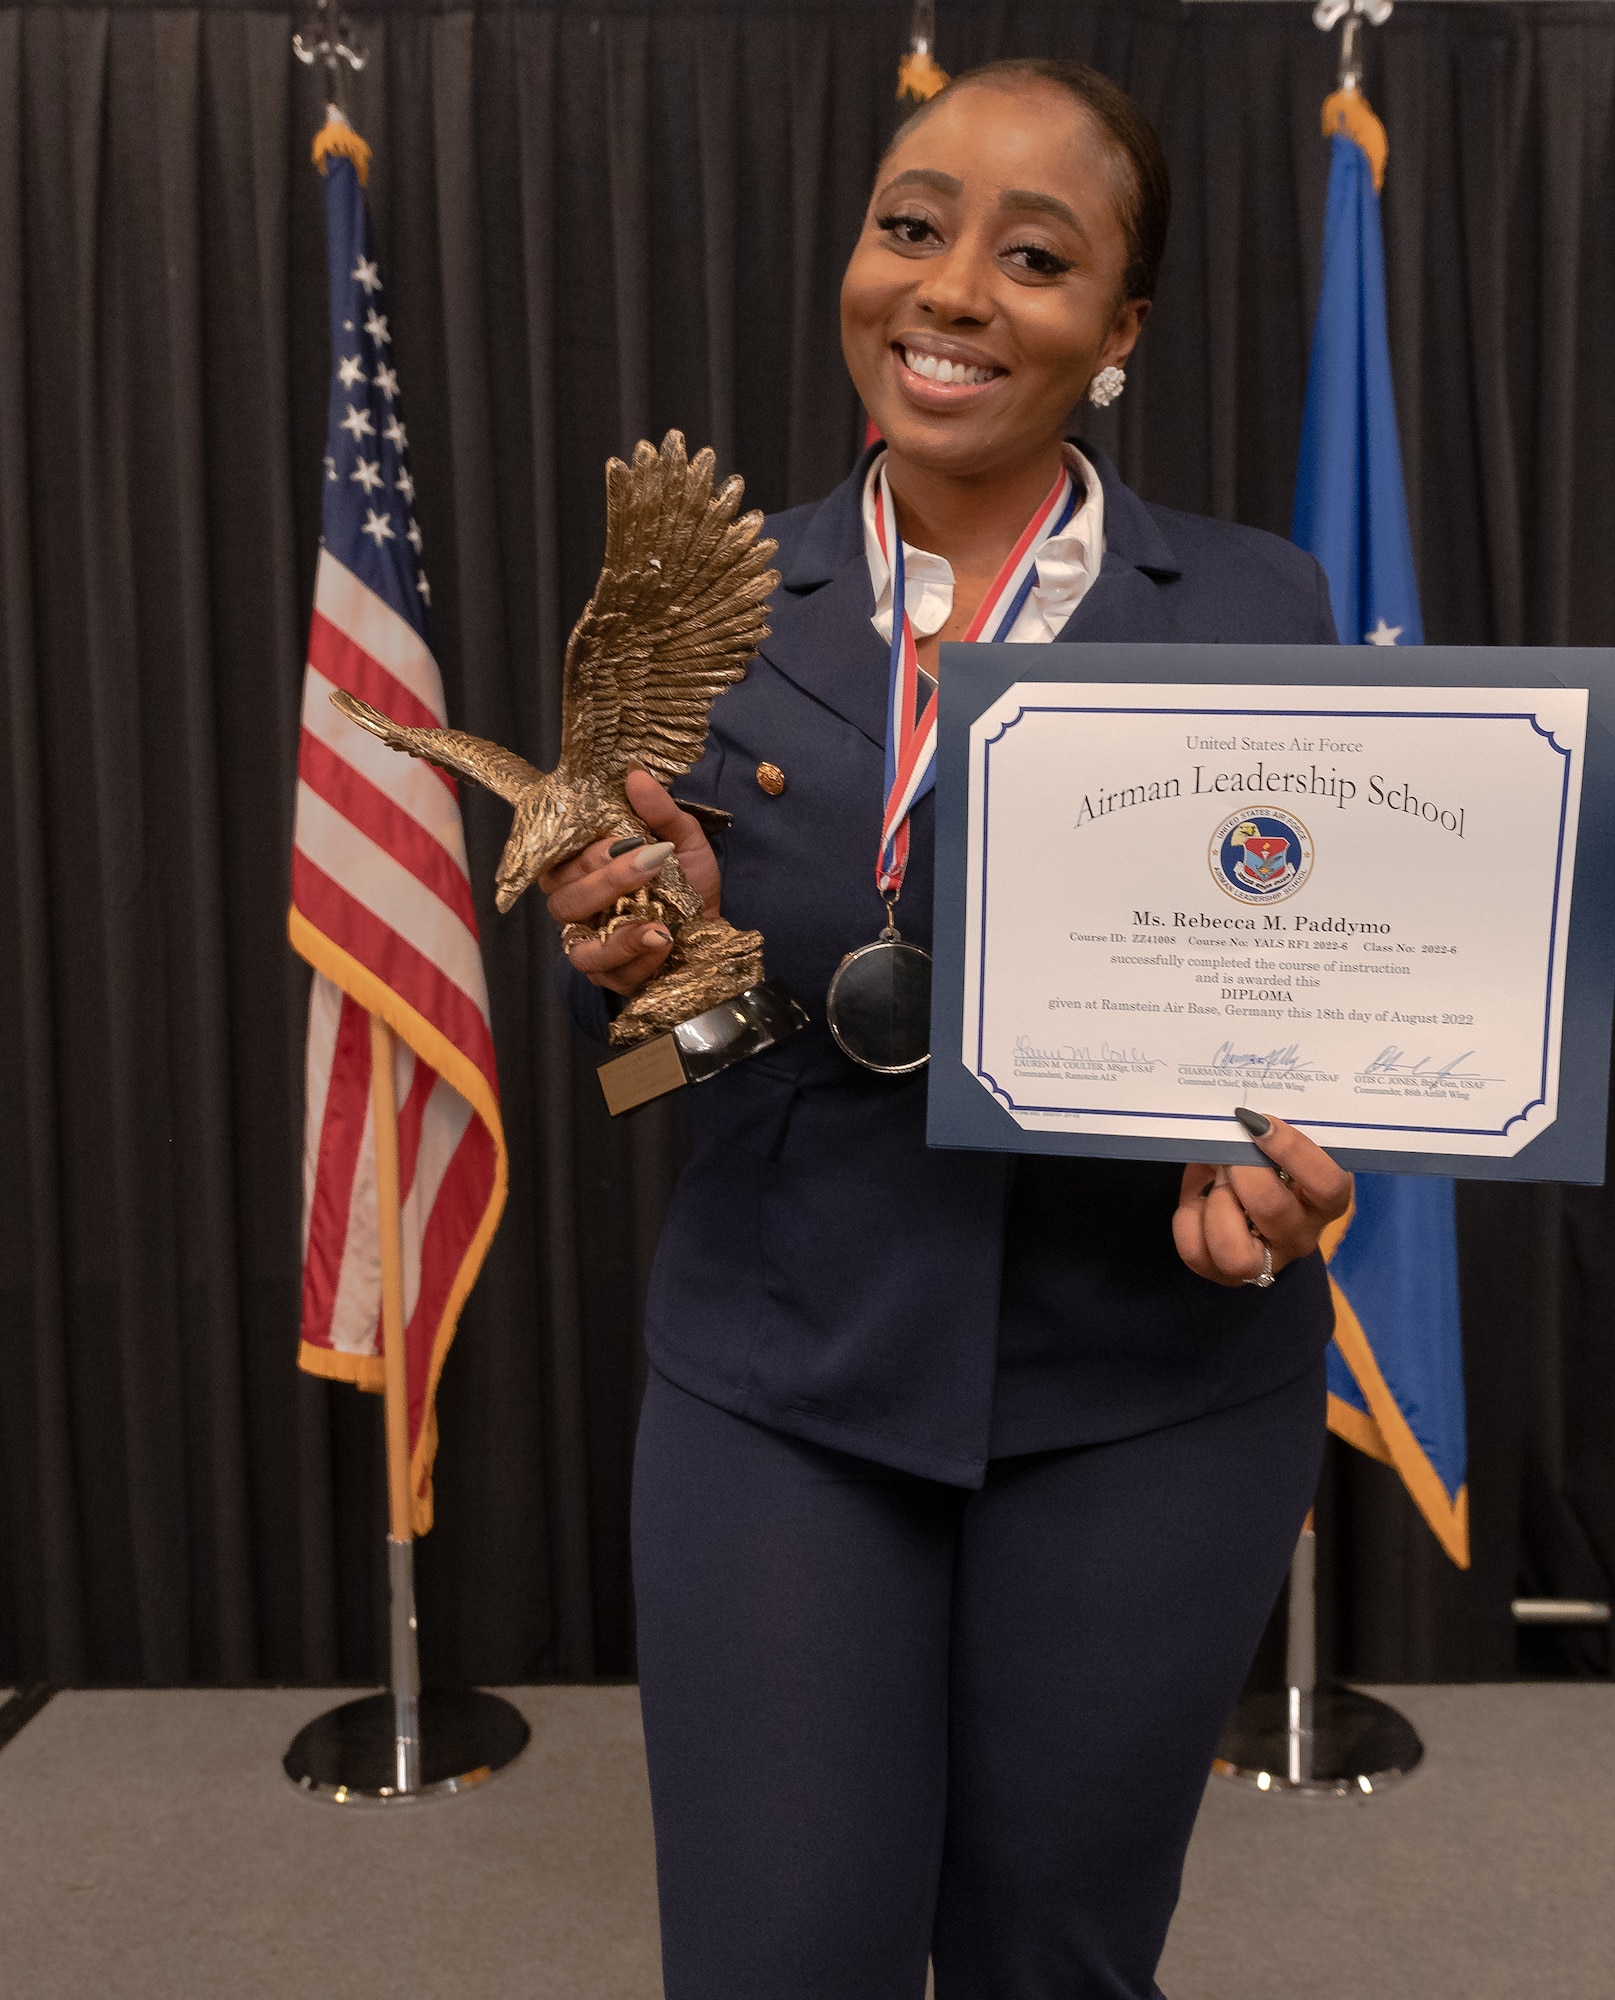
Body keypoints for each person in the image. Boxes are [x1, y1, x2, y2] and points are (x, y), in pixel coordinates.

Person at [543, 58, 1353, 2000]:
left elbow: (1315, 994)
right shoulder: (706, 606)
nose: (953, 289)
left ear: (1120, 330)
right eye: (913, 225)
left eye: (1037, 254)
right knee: (776, 1965)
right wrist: (648, 965)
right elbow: (624, 1016)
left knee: (1053, 1964)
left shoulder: (1260, 603)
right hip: (786, 1381)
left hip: (1151, 1391)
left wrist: (1286, 1156)